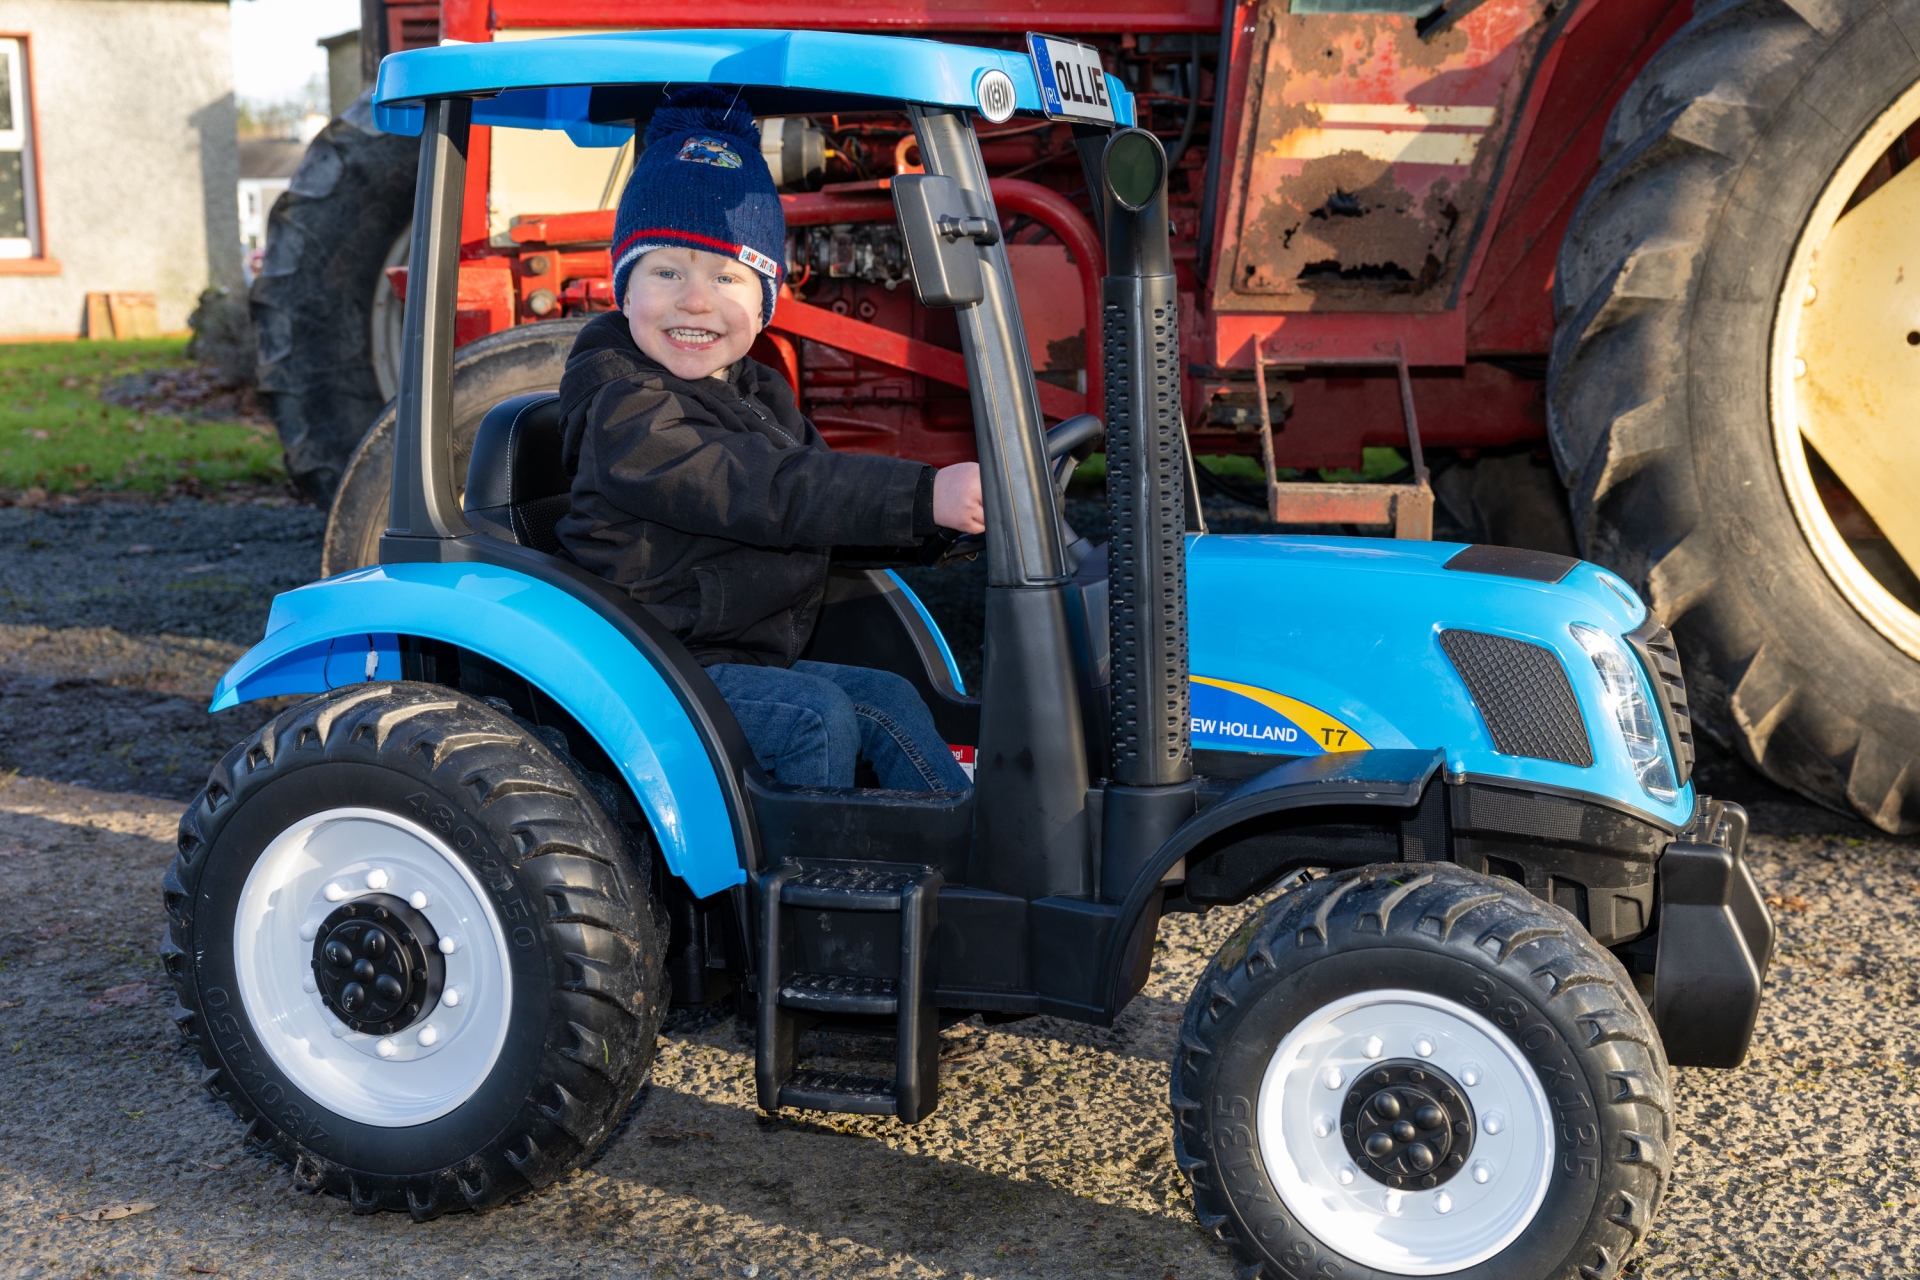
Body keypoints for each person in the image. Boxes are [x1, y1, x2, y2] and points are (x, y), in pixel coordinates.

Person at [555, 88, 980, 793]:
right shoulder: (627, 412)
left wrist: (942, 528)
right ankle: (818, 863)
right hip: (658, 667)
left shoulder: (755, 392)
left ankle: (964, 844)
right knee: (815, 717)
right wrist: (923, 494)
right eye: (666, 271)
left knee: (889, 697)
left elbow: (819, 502)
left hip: (736, 655)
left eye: (727, 276)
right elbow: (768, 491)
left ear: (766, 305)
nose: (696, 299)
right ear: (624, 293)